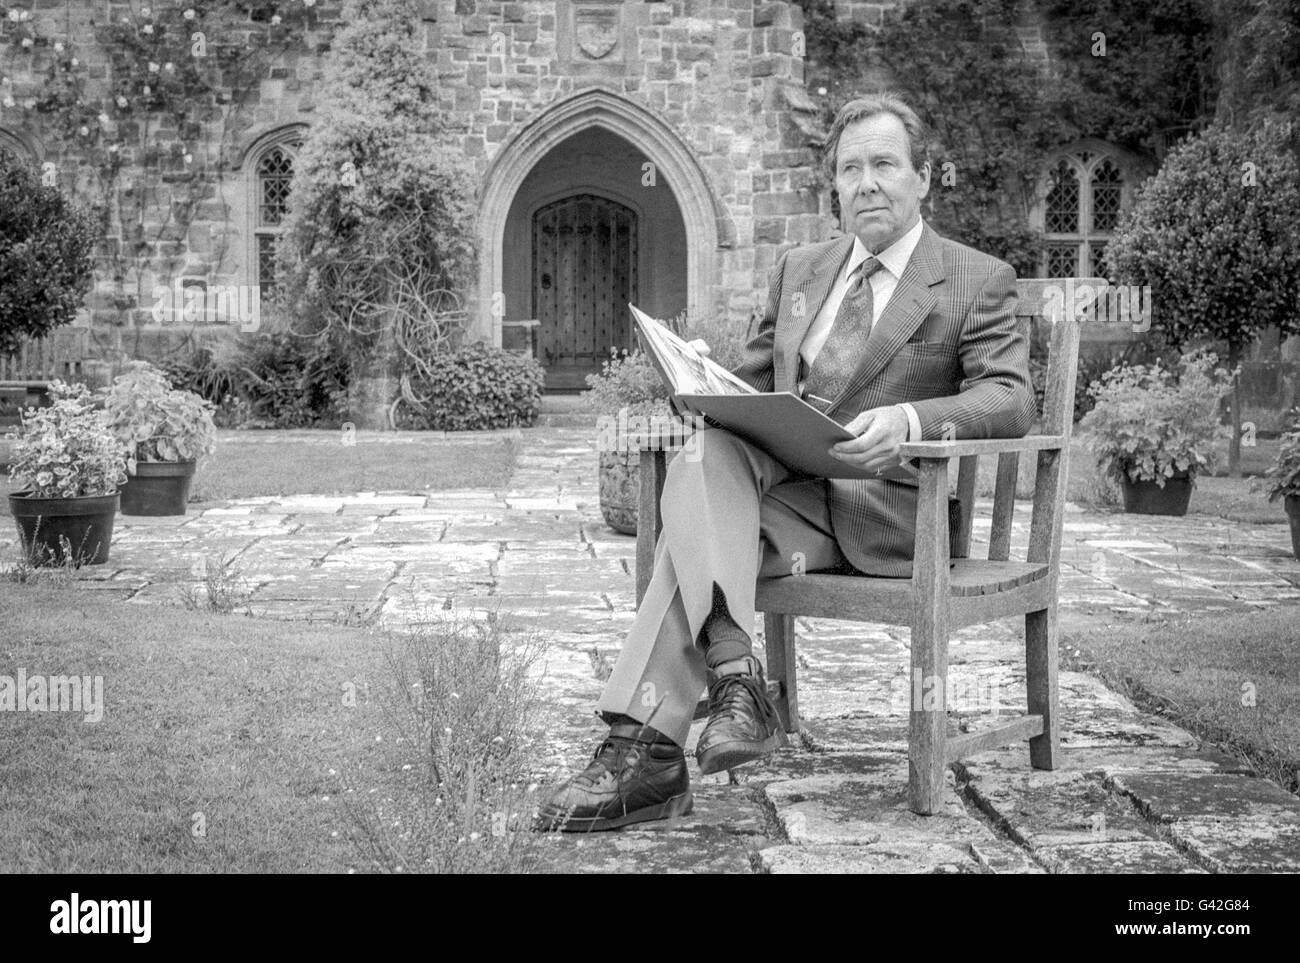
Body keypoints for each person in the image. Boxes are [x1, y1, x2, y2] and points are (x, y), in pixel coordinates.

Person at [534, 93, 1037, 832]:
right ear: (832, 185)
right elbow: (751, 385)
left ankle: (648, 750)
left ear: (924, 177)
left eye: (884, 165)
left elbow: (1010, 397)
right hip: (789, 506)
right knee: (704, 452)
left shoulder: (974, 278)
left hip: (891, 511)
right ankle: (735, 682)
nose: (865, 182)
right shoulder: (802, 268)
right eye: (850, 168)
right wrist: (702, 384)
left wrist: (911, 419)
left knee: (690, 542)